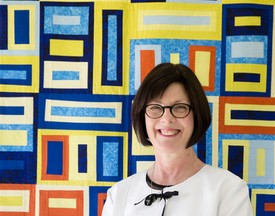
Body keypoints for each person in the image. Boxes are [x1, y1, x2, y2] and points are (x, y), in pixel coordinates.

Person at [102, 63, 253, 216]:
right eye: (155, 107)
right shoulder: (119, 195)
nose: (167, 119)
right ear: (142, 117)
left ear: (197, 115)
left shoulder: (228, 190)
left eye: (180, 107)